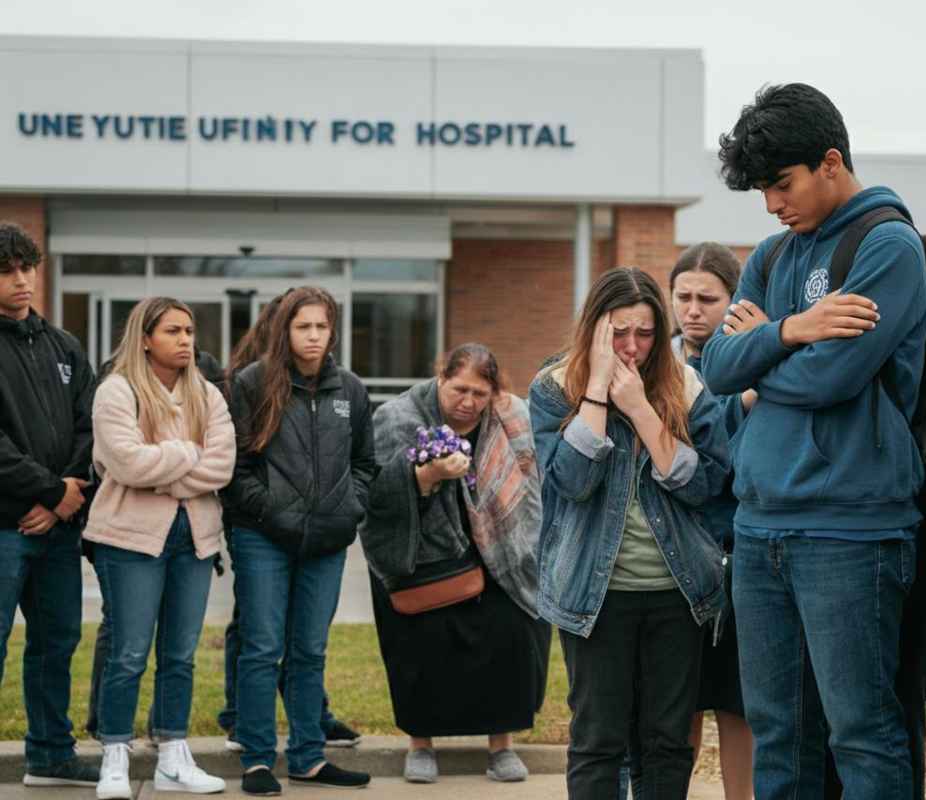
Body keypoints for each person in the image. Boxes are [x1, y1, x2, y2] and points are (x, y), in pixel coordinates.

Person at [701, 83, 926, 800]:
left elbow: (835, 377)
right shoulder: (771, 257)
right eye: (763, 191)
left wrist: (760, 363)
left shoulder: (887, 245)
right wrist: (793, 330)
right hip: (760, 525)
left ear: (831, 162)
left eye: (782, 184)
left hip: (851, 532)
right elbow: (715, 367)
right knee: (778, 733)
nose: (773, 204)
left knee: (861, 731)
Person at [530, 266, 730, 800]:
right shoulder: (554, 389)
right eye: (618, 332)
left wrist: (642, 410)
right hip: (594, 598)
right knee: (598, 739)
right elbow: (571, 482)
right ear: (594, 327)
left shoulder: (687, 386)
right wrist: (597, 391)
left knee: (666, 741)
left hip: (678, 594)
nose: (632, 347)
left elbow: (707, 485)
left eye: (644, 333)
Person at [361, 343, 549, 784]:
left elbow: (530, 477)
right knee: (420, 649)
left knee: (510, 638)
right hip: (421, 553)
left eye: (479, 394)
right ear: (439, 378)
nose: (468, 403)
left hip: (501, 545)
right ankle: (420, 743)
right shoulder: (397, 417)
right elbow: (376, 491)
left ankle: (501, 744)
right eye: (459, 390)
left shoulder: (511, 416)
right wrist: (426, 476)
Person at [224, 286, 377, 795]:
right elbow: (237, 470)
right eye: (302, 327)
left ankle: (309, 757)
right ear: (284, 330)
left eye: (321, 326)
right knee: (262, 647)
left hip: (328, 540)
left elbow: (365, 465)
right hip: (263, 537)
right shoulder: (251, 383)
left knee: (310, 649)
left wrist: (346, 509)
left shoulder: (351, 390)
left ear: (333, 330)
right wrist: (275, 513)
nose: (313, 336)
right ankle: (257, 760)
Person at [85, 297, 235, 799]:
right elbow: (125, 463)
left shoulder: (208, 395)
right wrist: (186, 454)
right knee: (128, 653)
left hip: (193, 539)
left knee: (180, 654)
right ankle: (114, 757)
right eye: (173, 331)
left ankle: (173, 755)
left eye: (190, 330)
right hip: (129, 540)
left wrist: (165, 471)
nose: (187, 340)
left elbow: (223, 466)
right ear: (145, 338)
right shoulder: (116, 391)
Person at [0, 222, 99, 787]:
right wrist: (48, 491)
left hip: (58, 526)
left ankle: (51, 754)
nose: (21, 280)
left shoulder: (64, 346)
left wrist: (67, 496)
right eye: (8, 270)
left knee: (55, 644)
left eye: (27, 267)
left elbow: (91, 428)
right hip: (6, 525)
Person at [668, 243, 754, 800]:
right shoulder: (655, 364)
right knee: (678, 704)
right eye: (683, 297)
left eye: (708, 298)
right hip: (673, 552)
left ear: (733, 299)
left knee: (738, 704)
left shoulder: (749, 359)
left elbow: (730, 460)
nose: (693, 310)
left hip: (737, 549)